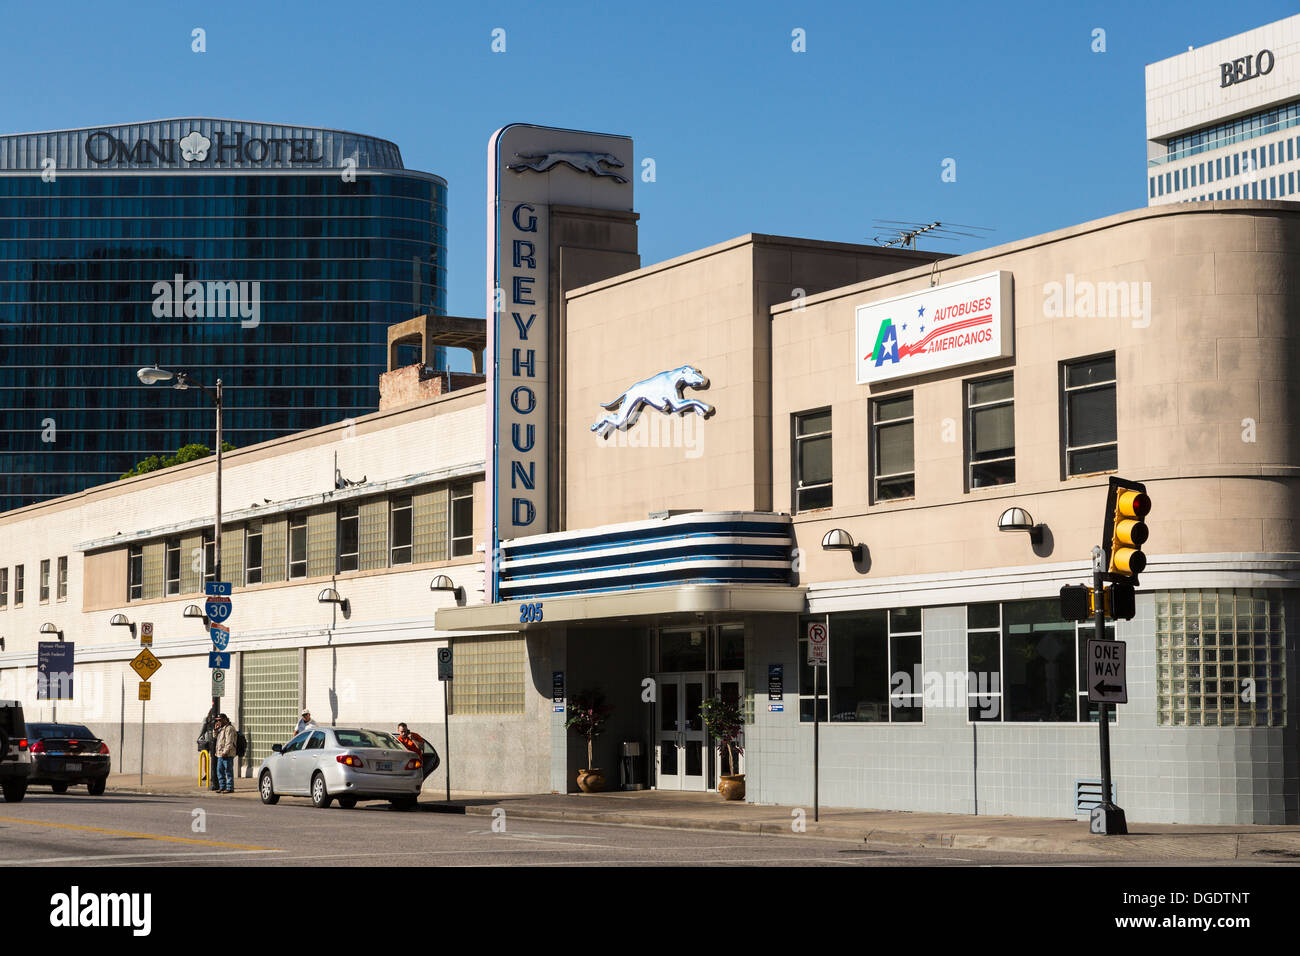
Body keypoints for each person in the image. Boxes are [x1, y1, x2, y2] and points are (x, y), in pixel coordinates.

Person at [214, 713, 237, 793]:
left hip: (227, 754)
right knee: (219, 771)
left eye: (220, 720)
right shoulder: (221, 728)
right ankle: (222, 787)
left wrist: (225, 752)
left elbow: (229, 742)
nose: (218, 722)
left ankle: (229, 788)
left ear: (225, 720)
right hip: (220, 754)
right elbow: (215, 737)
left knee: (228, 771)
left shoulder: (229, 728)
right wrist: (216, 730)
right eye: (217, 721)